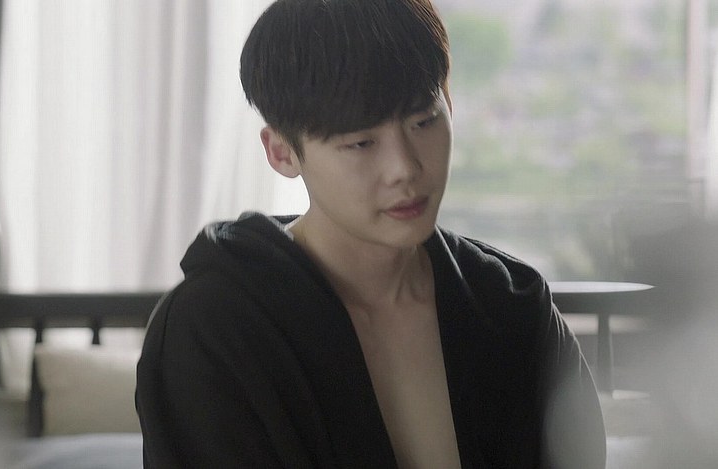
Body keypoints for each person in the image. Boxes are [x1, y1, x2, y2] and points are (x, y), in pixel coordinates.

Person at [136, 0, 606, 467]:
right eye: (361, 142)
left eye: (423, 121)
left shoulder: (512, 307)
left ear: (449, 103)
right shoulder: (213, 329)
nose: (405, 168)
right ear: (281, 152)